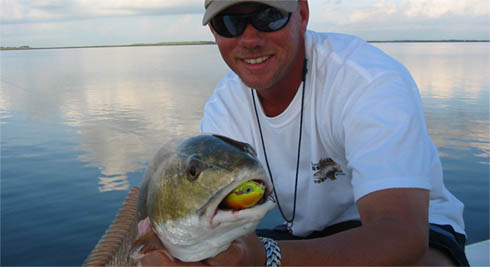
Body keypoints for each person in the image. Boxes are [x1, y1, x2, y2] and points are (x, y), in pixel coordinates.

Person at [137, 0, 469, 265]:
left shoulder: (368, 81)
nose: (250, 38)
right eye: (230, 22)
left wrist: (265, 257)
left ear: (303, 14)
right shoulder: (223, 109)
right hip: (304, 235)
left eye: (269, 16)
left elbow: (403, 239)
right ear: (214, 32)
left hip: (421, 232)